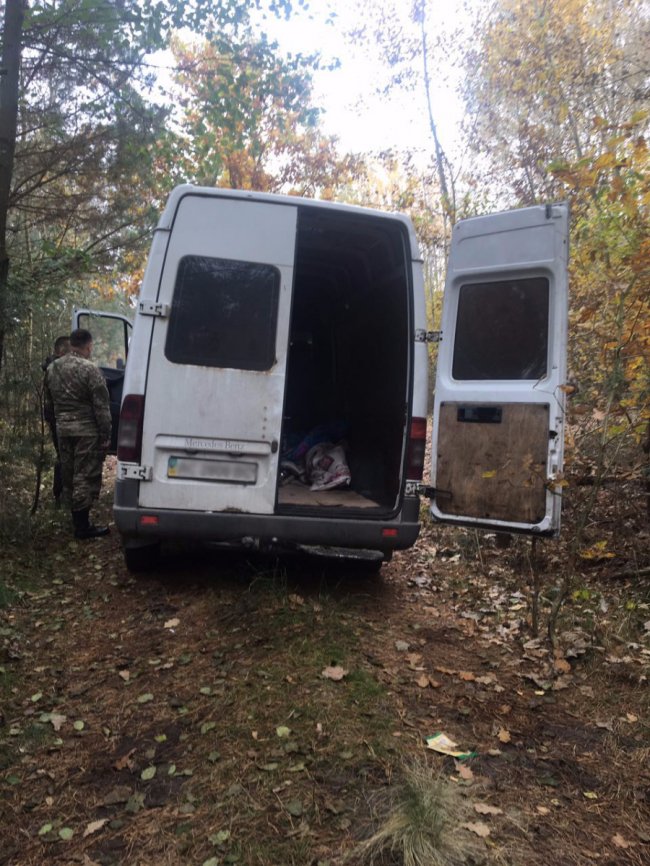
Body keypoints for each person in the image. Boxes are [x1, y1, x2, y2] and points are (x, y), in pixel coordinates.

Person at [44, 328, 111, 539]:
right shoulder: (90, 370)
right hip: (86, 432)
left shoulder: (52, 368)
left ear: (71, 343)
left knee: (70, 474)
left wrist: (55, 426)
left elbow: (49, 401)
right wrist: (106, 434)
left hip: (63, 429)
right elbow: (101, 406)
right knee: (84, 476)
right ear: (88, 346)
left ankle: (74, 519)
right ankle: (82, 527)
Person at [42, 335, 70, 505]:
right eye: (69, 351)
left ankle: (60, 495)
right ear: (61, 352)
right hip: (57, 418)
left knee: (63, 457)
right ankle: (60, 496)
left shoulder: (52, 366)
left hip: (57, 417)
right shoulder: (55, 368)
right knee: (63, 458)